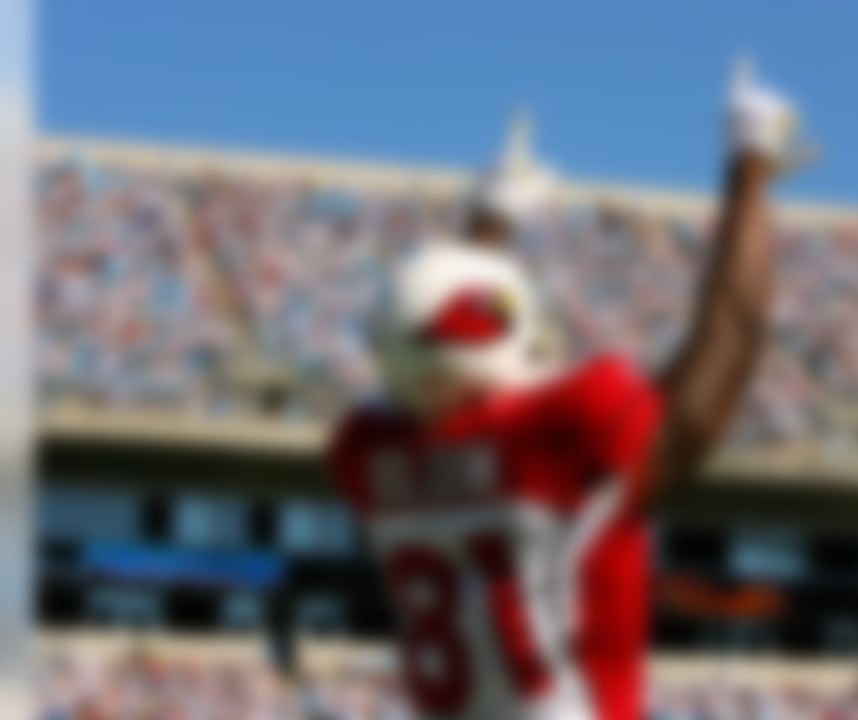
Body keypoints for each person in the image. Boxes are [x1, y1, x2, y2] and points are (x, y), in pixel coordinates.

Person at [328, 57, 806, 720]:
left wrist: (488, 224)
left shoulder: (368, 454)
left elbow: (441, 347)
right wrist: (750, 165)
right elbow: (728, 342)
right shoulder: (554, 445)